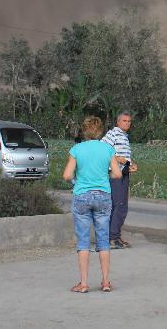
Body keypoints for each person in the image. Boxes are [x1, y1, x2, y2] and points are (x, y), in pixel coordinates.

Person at [63, 115, 123, 293]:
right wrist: (106, 177)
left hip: (82, 195)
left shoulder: (77, 149)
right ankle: (105, 281)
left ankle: (83, 283)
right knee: (103, 239)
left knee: (83, 241)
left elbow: (66, 175)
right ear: (100, 131)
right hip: (103, 195)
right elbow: (118, 174)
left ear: (84, 130)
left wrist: (77, 182)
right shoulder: (107, 149)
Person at [102, 111, 138, 249]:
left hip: (123, 172)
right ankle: (112, 238)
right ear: (118, 122)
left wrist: (131, 164)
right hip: (115, 174)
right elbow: (103, 148)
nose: (127, 123)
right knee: (119, 206)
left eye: (129, 121)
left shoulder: (124, 136)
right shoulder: (113, 133)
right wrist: (116, 158)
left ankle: (115, 236)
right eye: (124, 121)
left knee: (121, 206)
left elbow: (124, 156)